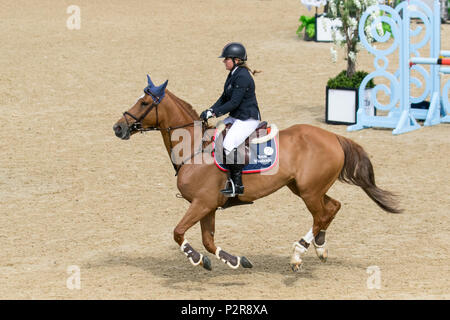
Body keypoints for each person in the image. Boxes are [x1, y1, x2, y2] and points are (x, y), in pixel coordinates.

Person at [200, 42, 261, 196]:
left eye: (226, 58)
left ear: (237, 60)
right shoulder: (233, 73)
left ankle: (237, 185)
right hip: (236, 117)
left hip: (247, 119)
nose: (224, 61)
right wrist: (211, 109)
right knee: (215, 135)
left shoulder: (242, 77)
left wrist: (214, 114)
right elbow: (224, 97)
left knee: (228, 144)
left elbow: (234, 102)